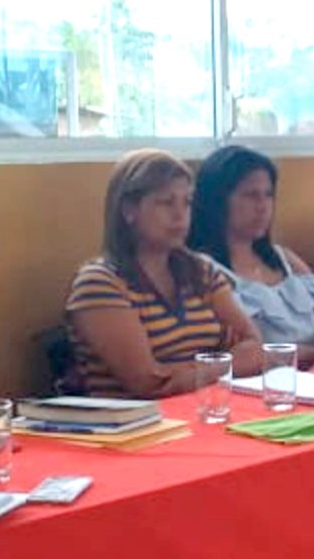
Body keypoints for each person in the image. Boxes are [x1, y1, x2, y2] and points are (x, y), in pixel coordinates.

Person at [64, 150, 265, 397]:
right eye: (166, 203)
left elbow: (256, 348)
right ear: (129, 210)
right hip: (141, 418)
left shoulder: (202, 271)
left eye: (187, 202)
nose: (180, 215)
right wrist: (227, 364)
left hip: (212, 407)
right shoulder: (100, 283)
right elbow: (148, 383)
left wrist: (190, 372)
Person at [189, 146, 314, 369]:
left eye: (268, 195)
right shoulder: (203, 270)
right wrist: (312, 355)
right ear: (218, 201)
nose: (262, 206)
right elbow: (240, 354)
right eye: (251, 195)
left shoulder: (285, 258)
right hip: (263, 379)